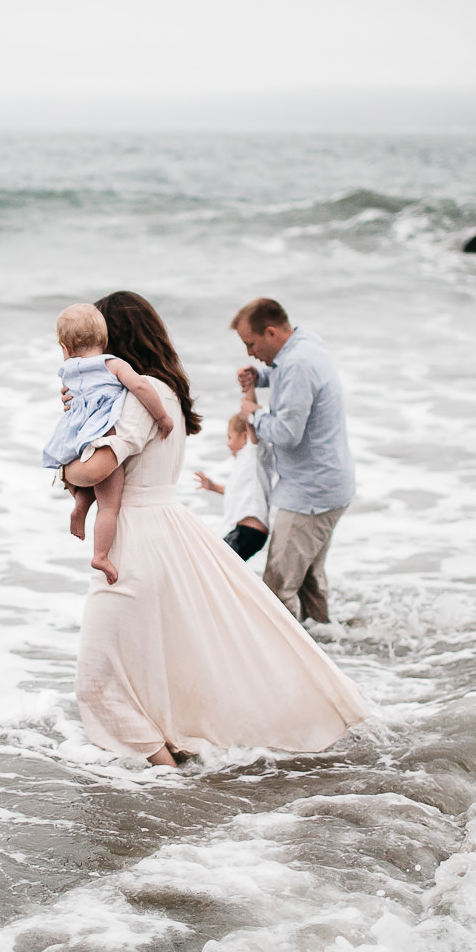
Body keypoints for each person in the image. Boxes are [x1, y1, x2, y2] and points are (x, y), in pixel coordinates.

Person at [63, 291, 369, 766]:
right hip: (155, 533)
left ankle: (166, 792)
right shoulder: (154, 391)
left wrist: (65, 466)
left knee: (98, 684)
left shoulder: (141, 395)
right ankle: (171, 778)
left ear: (116, 339)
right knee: (144, 673)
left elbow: (94, 469)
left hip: (137, 541)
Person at [233, 297, 355, 624]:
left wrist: (254, 414)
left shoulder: (296, 364)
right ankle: (327, 648)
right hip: (332, 485)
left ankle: (285, 667)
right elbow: (295, 381)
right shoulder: (306, 344)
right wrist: (262, 378)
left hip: (309, 496)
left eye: (251, 343)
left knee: (275, 590)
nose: (248, 352)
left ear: (271, 333)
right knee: (308, 582)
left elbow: (287, 433)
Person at [42, 303, 175, 585]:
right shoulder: (111, 364)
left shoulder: (68, 373)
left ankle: (80, 504)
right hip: (103, 437)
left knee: (95, 490)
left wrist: (66, 472)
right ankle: (100, 555)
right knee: (109, 507)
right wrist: (162, 416)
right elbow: (139, 387)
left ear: (65, 347)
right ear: (103, 341)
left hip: (75, 439)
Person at [193, 412, 271, 561]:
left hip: (250, 531)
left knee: (215, 564)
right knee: (216, 564)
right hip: (243, 531)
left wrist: (249, 405)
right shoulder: (243, 464)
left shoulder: (252, 454)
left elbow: (252, 429)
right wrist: (213, 486)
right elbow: (235, 491)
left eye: (230, 437)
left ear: (244, 436)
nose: (228, 444)